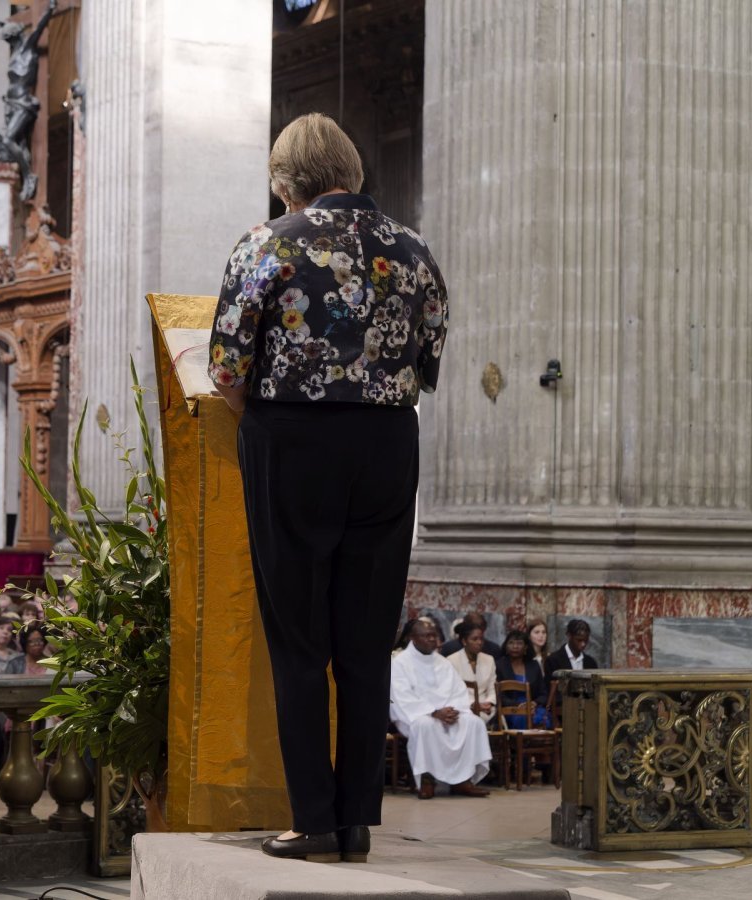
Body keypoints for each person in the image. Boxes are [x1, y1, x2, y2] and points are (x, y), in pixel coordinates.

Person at [207, 113, 448, 863]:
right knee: (366, 643)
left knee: (300, 641)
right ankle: (355, 822)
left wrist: (271, 423)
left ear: (285, 180)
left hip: (293, 440)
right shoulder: (415, 250)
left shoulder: (268, 241)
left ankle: (311, 817)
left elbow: (224, 367)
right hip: (387, 445)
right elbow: (429, 365)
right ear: (351, 167)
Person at [389, 621, 491, 800]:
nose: (432, 639)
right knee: (425, 725)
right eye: (426, 636)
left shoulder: (442, 662)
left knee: (474, 723)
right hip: (416, 715)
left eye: (433, 635)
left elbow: (457, 690)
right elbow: (401, 697)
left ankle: (464, 780)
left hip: (447, 714)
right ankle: (427, 781)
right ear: (412, 638)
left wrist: (453, 710)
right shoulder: (400, 663)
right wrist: (434, 712)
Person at [496, 630, 550, 729]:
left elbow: (543, 693)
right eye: (511, 643)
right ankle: (522, 743)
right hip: (511, 708)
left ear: (526, 647)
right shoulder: (500, 665)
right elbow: (500, 696)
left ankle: (537, 743)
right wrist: (520, 705)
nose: (515, 646)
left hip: (534, 707)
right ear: (506, 646)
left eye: (519, 643)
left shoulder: (534, 665)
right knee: (522, 718)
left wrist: (534, 703)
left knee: (543, 718)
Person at [446, 622, 496, 724]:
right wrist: (472, 705)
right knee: (470, 719)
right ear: (464, 641)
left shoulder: (489, 659)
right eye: (475, 639)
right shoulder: (451, 660)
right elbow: (451, 692)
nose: (479, 642)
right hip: (463, 707)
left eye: (481, 639)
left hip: (486, 708)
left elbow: (492, 688)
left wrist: (489, 703)